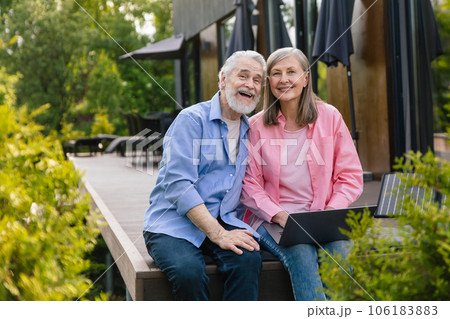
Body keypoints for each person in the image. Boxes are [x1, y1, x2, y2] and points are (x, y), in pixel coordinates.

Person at [240, 47, 363, 300]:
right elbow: (249, 185)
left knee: (341, 251)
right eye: (276, 73)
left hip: (323, 216)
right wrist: (280, 215)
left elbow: (349, 175)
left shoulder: (330, 117)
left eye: (291, 72)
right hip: (273, 220)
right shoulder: (255, 126)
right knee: (301, 252)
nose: (284, 79)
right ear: (268, 82)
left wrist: (332, 212)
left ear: (306, 78)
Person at [143, 50, 266, 301]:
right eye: (243, 76)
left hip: (223, 218)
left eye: (257, 80)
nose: (250, 85)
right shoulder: (192, 120)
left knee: (249, 260)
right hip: (173, 225)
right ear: (222, 79)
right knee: (189, 272)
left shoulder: (250, 129)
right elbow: (178, 184)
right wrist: (218, 233)